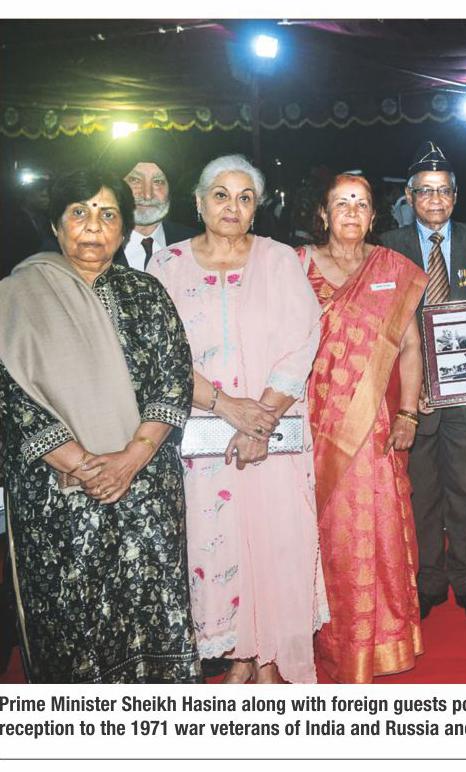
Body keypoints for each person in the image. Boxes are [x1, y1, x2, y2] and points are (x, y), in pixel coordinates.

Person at [0, 169, 197, 682]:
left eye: (108, 214)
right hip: (57, 491)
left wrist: (131, 459)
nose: (93, 225)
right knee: (73, 615)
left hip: (145, 483)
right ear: (56, 224)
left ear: (124, 228)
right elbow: (10, 395)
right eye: (79, 212)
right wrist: (83, 464)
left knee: (152, 604)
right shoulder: (16, 296)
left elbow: (173, 379)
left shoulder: (146, 292)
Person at [149, 154, 327, 684]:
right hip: (201, 439)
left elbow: (303, 338)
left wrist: (261, 420)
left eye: (245, 197)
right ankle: (238, 657)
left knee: (275, 543)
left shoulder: (279, 260)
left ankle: (270, 660)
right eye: (221, 195)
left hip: (273, 436)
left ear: (257, 208)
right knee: (214, 543)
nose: (232, 206)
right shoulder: (166, 265)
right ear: (199, 202)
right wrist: (228, 408)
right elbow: (160, 353)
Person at [302, 173, 427, 682]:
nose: (352, 211)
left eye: (361, 203)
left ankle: (380, 642)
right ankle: (324, 642)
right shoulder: (296, 266)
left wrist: (408, 412)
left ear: (374, 215)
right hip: (311, 427)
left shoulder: (392, 270)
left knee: (376, 532)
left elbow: (412, 346)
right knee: (321, 535)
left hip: (372, 427)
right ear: (324, 214)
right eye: (342, 202)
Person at [378, 142, 466, 622]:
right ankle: (428, 582)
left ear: (456, 196)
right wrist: (405, 388)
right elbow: (380, 327)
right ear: (409, 197)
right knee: (422, 492)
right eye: (425, 191)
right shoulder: (387, 248)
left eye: (444, 191)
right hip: (414, 396)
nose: (435, 199)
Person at [111, 137, 199, 270]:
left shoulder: (196, 244)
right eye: (135, 180)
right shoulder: (94, 245)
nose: (147, 195)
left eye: (158, 182)